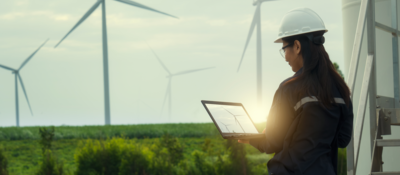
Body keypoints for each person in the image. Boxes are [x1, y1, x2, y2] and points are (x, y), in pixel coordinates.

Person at [238, 7, 353, 175]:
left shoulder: (289, 89)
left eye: (284, 48)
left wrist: (252, 138)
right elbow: (343, 139)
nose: (285, 57)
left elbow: (272, 143)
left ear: (297, 46)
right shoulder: (341, 90)